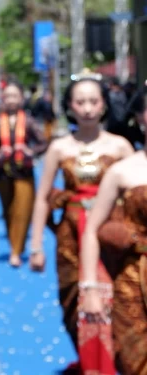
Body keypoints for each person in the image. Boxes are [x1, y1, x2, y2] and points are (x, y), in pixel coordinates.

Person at [29, 70, 134, 374]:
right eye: (80, 102)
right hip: (71, 235)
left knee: (116, 299)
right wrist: (36, 245)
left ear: (103, 105)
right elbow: (42, 198)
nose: (87, 108)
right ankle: (89, 360)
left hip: (111, 233)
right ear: (70, 106)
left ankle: (114, 362)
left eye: (93, 101)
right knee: (74, 300)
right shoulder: (59, 148)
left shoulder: (120, 147)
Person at [79, 86, 147, 375]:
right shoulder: (123, 171)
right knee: (135, 359)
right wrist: (91, 289)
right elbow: (92, 230)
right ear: (139, 118)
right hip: (134, 281)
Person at [0, 81, 48, 267]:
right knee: (9, 211)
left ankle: (16, 251)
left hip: (23, 172)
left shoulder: (29, 122)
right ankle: (15, 246)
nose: (11, 100)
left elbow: (43, 143)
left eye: (14, 96)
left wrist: (30, 152)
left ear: (21, 99)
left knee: (23, 211)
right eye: (7, 96)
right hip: (2, 173)